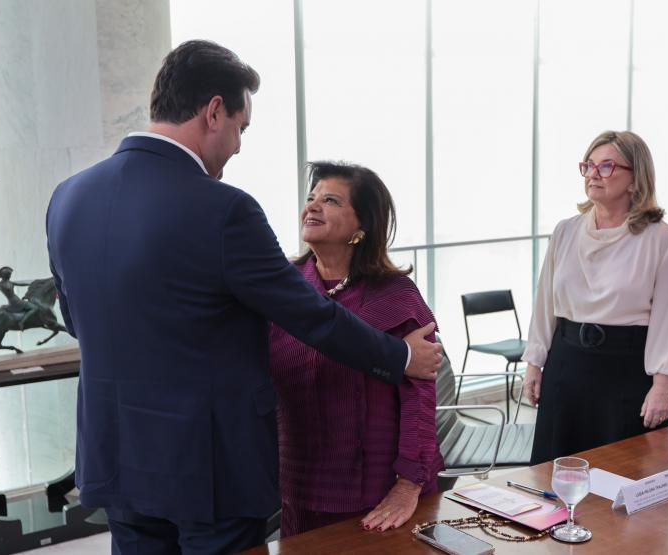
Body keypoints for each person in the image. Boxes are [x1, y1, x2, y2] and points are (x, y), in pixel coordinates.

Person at [45, 40, 442, 555]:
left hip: (116, 454)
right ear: (214, 111)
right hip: (210, 465)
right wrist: (402, 356)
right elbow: (309, 315)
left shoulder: (68, 197)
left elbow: (77, 320)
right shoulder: (222, 209)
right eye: (241, 128)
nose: (237, 146)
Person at [268, 162, 443, 537]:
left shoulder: (396, 295)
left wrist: (408, 483)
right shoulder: (284, 289)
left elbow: (420, 400)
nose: (312, 207)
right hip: (300, 485)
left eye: (330, 200)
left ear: (362, 227)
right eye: (311, 198)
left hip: (378, 496)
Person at [522, 130, 668, 465]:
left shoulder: (659, 238)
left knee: (620, 474)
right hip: (566, 363)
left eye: (607, 166)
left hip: (624, 370)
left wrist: (663, 387)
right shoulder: (565, 230)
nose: (593, 174)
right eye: (589, 165)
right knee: (554, 473)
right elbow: (544, 304)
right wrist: (533, 363)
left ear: (634, 178)